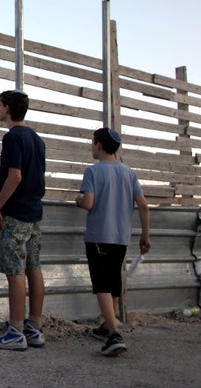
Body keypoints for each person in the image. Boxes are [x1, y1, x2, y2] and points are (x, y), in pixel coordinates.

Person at [75, 127, 151, 357]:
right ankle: (108, 325)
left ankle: (114, 335)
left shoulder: (93, 172)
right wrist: (145, 235)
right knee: (114, 281)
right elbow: (144, 206)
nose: (91, 146)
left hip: (99, 236)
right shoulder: (129, 173)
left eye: (92, 142)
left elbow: (88, 203)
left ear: (98, 145)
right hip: (121, 237)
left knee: (101, 284)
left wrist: (78, 200)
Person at [0, 90, 46, 352]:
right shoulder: (37, 139)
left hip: (16, 214)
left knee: (15, 271)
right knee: (34, 267)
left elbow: (15, 176)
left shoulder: (12, 138)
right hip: (34, 213)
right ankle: (35, 327)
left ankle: (15, 331)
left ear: (7, 108)